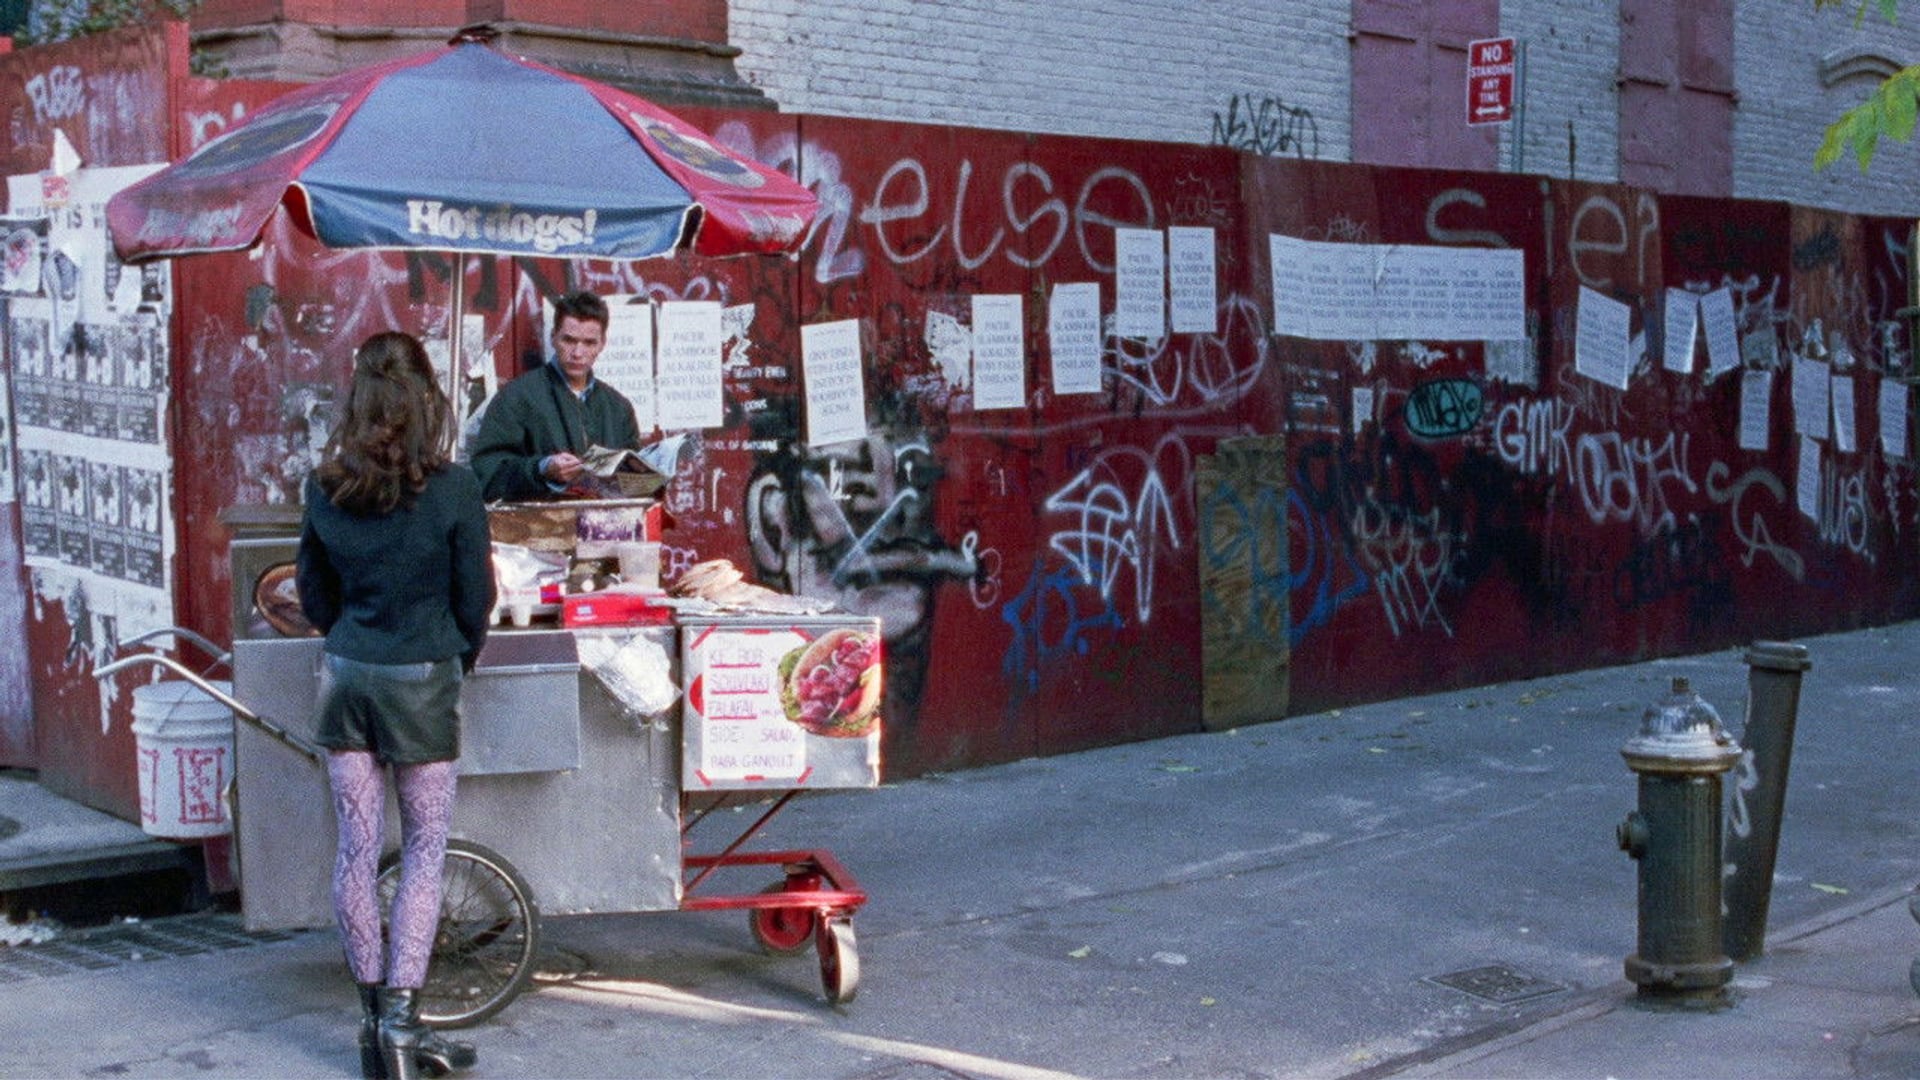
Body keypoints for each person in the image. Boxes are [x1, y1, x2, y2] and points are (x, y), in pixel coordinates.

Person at [296, 331, 494, 1080]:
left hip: (346, 674)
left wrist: (351, 635)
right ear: (426, 401)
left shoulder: (325, 486)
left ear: (359, 398)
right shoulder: (453, 488)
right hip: (423, 678)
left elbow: (313, 591)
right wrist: (457, 658)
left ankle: (371, 1030)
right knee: (423, 848)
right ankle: (406, 1030)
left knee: (354, 850)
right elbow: (476, 597)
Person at [468, 290, 642, 501]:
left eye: (589, 343)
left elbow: (636, 483)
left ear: (602, 344)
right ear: (553, 337)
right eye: (569, 340)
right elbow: (486, 474)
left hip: (607, 528)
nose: (578, 353)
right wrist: (542, 469)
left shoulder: (618, 408)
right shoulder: (517, 397)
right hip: (540, 529)